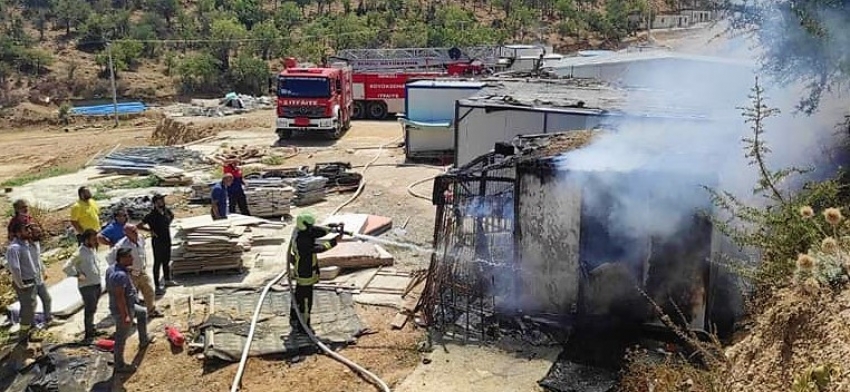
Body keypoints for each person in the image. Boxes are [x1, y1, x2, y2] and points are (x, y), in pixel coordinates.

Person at [287, 213, 342, 335]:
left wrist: (331, 228)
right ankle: (304, 327)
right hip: (305, 273)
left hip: (301, 269)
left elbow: (316, 231)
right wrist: (334, 241)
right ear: (305, 225)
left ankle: (294, 318)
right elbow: (320, 248)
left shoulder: (300, 230)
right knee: (306, 300)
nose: (312, 227)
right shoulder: (303, 241)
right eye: (310, 225)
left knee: (298, 295)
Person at [106, 248, 155, 373]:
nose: (132, 259)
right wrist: (126, 315)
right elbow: (119, 297)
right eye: (129, 256)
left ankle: (144, 340)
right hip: (123, 309)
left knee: (143, 312)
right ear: (122, 258)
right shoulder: (119, 276)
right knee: (121, 338)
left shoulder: (113, 268)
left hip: (130, 305)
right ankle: (120, 365)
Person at [106, 225, 162, 318]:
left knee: (149, 291)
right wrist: (123, 269)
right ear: (126, 234)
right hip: (130, 274)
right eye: (132, 231)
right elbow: (109, 258)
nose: (135, 232)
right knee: (131, 297)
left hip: (141, 271)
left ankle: (151, 310)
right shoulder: (121, 245)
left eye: (135, 229)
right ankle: (131, 316)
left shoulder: (140, 238)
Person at [63, 229, 103, 341]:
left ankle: (92, 328)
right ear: (86, 240)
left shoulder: (92, 250)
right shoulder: (79, 253)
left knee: (93, 308)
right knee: (89, 309)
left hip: (96, 283)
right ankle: (88, 333)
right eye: (93, 239)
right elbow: (66, 267)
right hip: (87, 286)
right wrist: (77, 274)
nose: (95, 241)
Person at [6, 222, 38, 343]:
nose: (29, 232)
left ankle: (30, 333)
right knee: (27, 310)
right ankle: (23, 338)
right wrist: (21, 285)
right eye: (26, 230)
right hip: (24, 283)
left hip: (31, 281)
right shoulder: (14, 248)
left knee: (32, 307)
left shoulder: (25, 244)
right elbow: (14, 268)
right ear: (18, 233)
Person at [139, 194, 175, 296]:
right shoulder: (151, 215)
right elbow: (139, 225)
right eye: (159, 200)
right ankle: (157, 285)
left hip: (167, 239)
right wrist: (150, 231)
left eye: (162, 200)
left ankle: (167, 280)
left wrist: (167, 224)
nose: (162, 202)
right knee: (157, 262)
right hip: (157, 241)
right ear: (155, 203)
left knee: (166, 260)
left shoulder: (166, 211)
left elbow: (172, 216)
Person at [27, 224, 57, 327]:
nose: (39, 234)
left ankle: (48, 319)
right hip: (30, 280)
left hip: (39, 278)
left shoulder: (36, 244)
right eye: (37, 233)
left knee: (47, 299)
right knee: (32, 304)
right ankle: (32, 326)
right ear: (30, 234)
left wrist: (43, 271)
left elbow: (38, 259)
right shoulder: (24, 247)